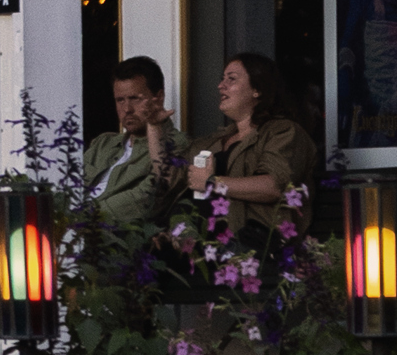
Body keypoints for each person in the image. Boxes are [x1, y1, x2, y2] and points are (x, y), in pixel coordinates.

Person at [187, 50, 322, 234]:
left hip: (257, 251)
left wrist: (212, 183)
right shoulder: (215, 139)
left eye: (231, 79)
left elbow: (273, 186)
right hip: (208, 251)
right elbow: (169, 174)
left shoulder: (283, 131)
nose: (221, 86)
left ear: (257, 89)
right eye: (222, 79)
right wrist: (155, 126)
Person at [84, 56, 184, 254]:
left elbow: (148, 197)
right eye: (120, 100)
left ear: (159, 97)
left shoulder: (176, 145)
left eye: (135, 99)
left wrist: (80, 218)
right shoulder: (103, 143)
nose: (127, 109)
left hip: (109, 243)